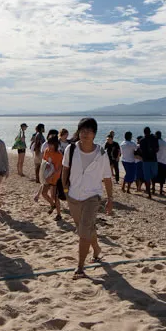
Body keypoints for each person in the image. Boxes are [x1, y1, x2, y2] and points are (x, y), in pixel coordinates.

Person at [62, 118, 113, 280]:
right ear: (78, 132)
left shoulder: (101, 154)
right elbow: (65, 169)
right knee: (85, 229)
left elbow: (107, 177)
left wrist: (110, 198)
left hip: (92, 196)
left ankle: (80, 267)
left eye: (89, 131)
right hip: (73, 196)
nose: (85, 134)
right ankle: (96, 249)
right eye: (82, 130)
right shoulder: (71, 149)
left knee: (84, 231)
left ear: (94, 134)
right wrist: (65, 190)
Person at [42, 135, 64, 221]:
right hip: (47, 175)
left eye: (51, 144)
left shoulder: (59, 155)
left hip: (55, 178)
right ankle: (52, 204)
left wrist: (51, 177)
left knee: (54, 196)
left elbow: (58, 170)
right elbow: (44, 161)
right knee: (44, 193)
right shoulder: (46, 151)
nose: (49, 146)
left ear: (55, 144)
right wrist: (46, 166)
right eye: (49, 144)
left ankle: (59, 214)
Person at [139, 127, 159, 199]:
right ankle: (153, 188)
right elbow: (157, 149)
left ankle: (149, 194)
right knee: (154, 174)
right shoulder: (155, 138)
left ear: (144, 132)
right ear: (150, 132)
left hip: (145, 160)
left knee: (147, 178)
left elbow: (141, 150)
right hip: (153, 159)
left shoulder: (141, 140)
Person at [153, 131, 166, 195]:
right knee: (162, 177)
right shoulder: (165, 143)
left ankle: (153, 189)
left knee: (154, 176)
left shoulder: (153, 142)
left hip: (154, 161)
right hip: (162, 162)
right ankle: (160, 191)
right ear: (161, 135)